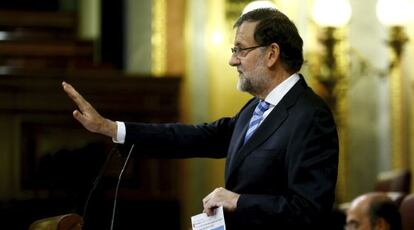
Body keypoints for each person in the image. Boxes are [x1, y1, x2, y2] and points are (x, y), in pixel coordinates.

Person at [62, 7, 339, 229]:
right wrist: (111, 128)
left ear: (272, 54)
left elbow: (308, 211)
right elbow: (194, 137)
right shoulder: (255, 109)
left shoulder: (310, 115)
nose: (233, 61)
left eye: (240, 50)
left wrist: (237, 201)